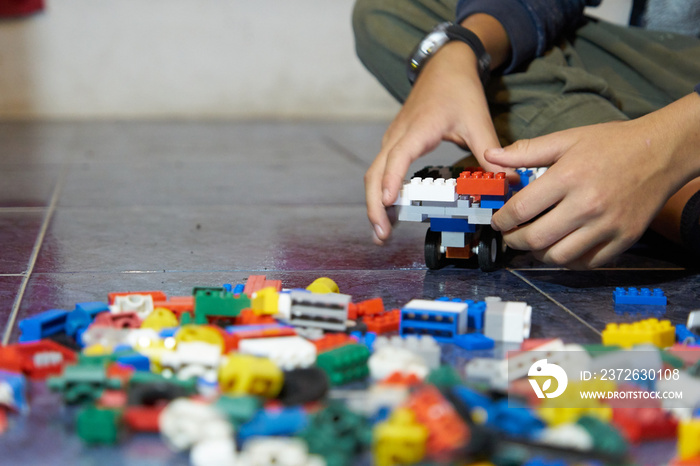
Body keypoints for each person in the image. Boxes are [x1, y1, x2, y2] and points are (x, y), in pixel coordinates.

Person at [352, 0, 700, 269]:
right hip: (676, 68)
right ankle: (600, 168)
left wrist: (659, 153)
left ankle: (670, 200)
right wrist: (465, 46)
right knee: (390, 11)